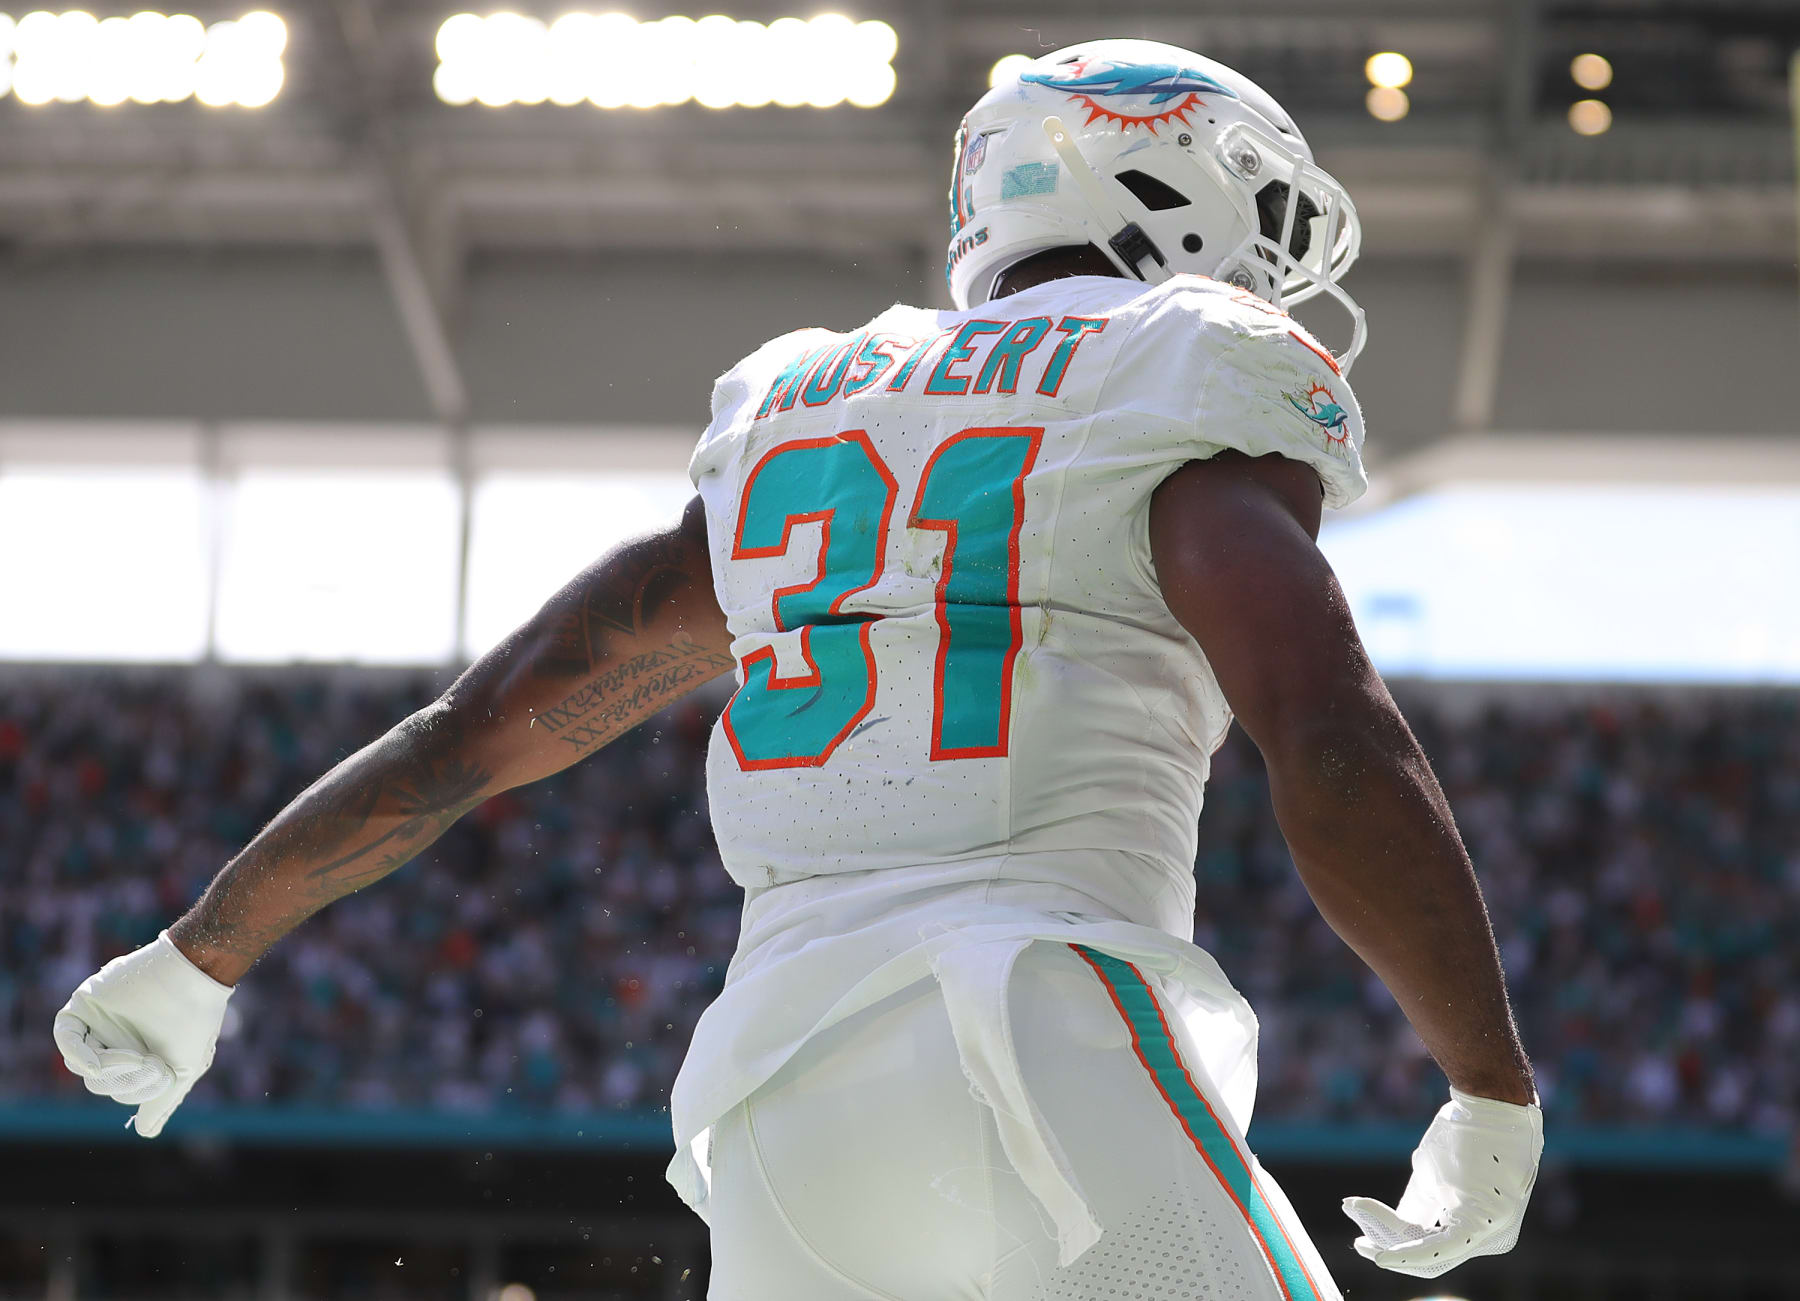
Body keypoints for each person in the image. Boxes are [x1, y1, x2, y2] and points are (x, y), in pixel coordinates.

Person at [55, 39, 1541, 1299]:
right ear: (1161, 184)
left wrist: (202, 953)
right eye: (1258, 210)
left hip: (773, 1101)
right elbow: (1330, 734)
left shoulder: (806, 416)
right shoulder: (1175, 357)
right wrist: (1487, 1083)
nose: (1269, 261)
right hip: (1036, 1023)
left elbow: (477, 733)